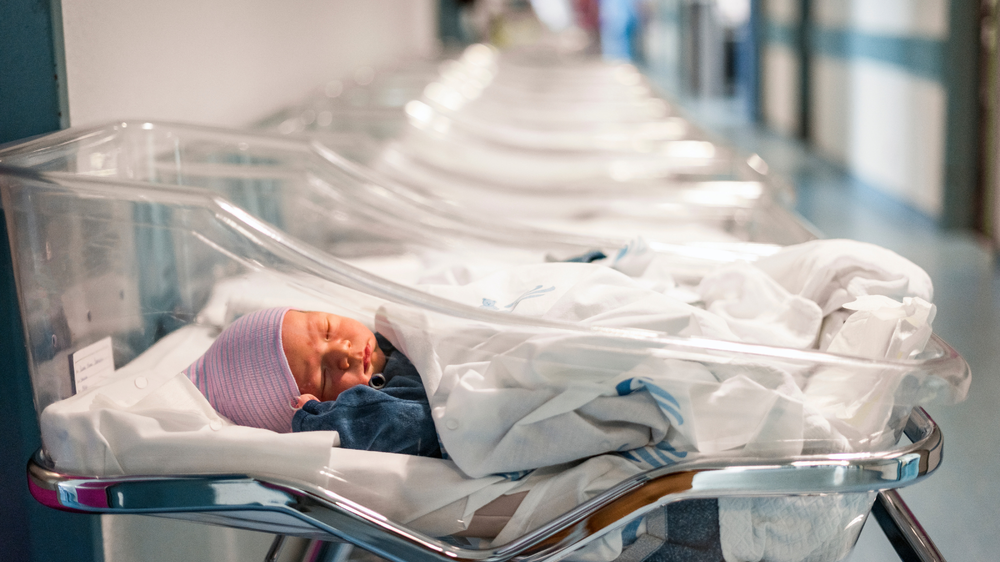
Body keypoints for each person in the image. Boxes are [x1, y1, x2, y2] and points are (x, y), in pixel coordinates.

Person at [184, 307, 441, 457]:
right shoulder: (391, 402)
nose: (343, 351)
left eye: (328, 330)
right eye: (325, 376)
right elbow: (419, 423)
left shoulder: (393, 335)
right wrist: (323, 421)